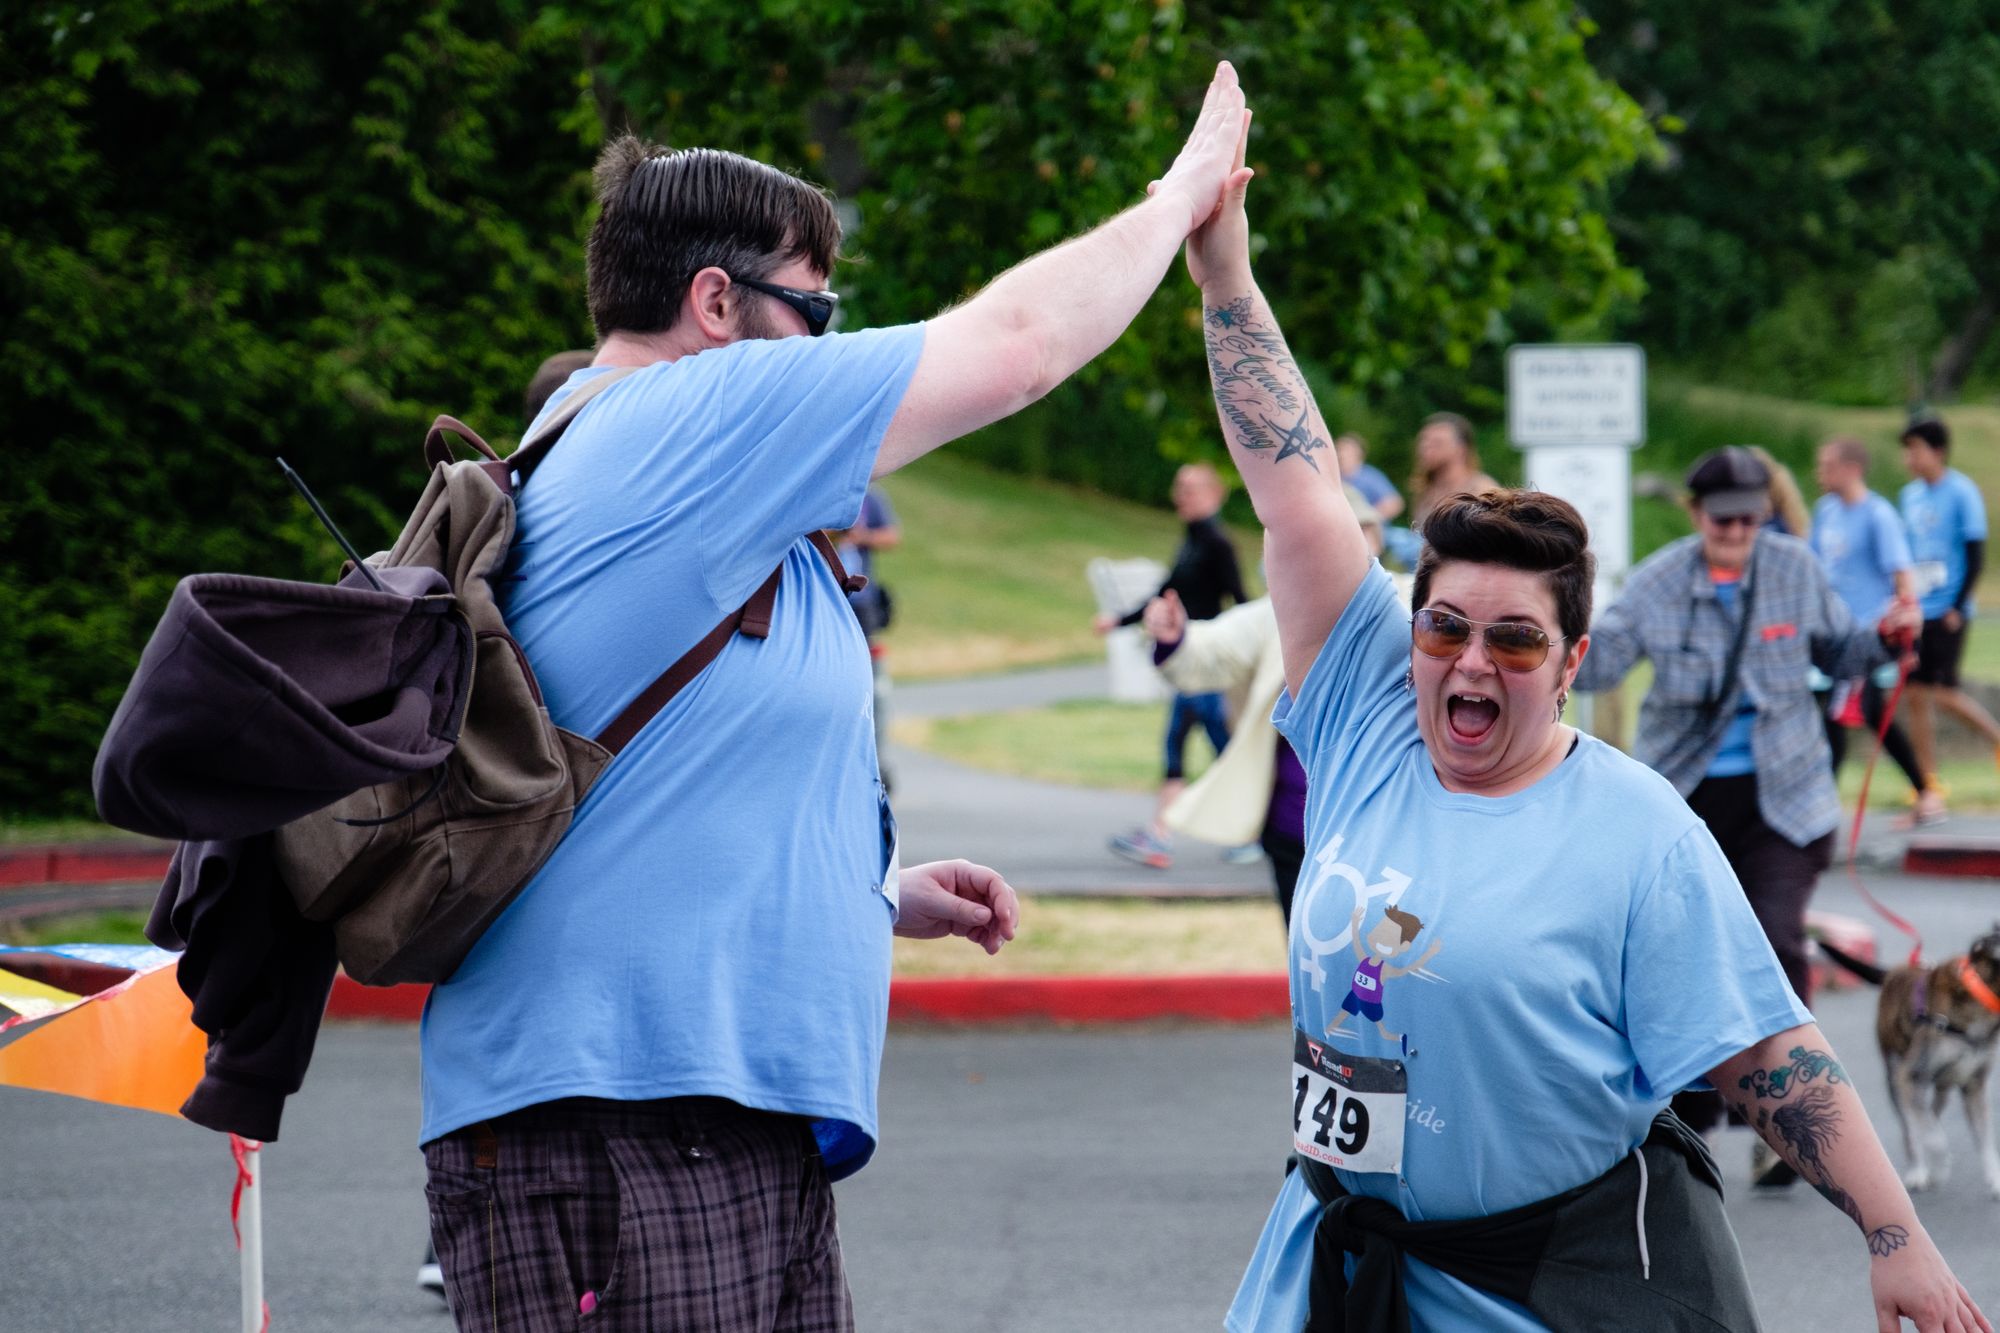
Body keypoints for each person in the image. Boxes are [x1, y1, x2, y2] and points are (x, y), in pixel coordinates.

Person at [417, 64, 1252, 1330]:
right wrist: (1181, 198)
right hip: (624, 1131)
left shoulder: (657, 461)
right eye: (814, 306)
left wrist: (869, 896)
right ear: (713, 304)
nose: (826, 340)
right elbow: (1019, 350)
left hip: (694, 1122)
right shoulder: (686, 416)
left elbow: (669, 777)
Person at [1185, 129, 1984, 1333]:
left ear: (1568, 663)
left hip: (1535, 1288)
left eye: (1511, 640)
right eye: (1442, 626)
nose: (1466, 660)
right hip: (1333, 1261)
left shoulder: (1632, 831)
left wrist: (1896, 1239)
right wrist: (1226, 279)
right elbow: (1294, 486)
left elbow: (1764, 1050)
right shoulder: (1368, 718)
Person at [1574, 447, 1918, 1163]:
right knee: (1682, 952)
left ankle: (1786, 1114)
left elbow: (1842, 651)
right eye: (1722, 517)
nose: (1736, 529)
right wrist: (1551, 615)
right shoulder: (1660, 578)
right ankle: (1695, 1103)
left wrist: (1886, 635)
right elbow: (1597, 660)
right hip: (1685, 801)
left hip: (1784, 798)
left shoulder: (1794, 568)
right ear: (1696, 514)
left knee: (1773, 937)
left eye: (1750, 516)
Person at [1142, 492, 1405, 924]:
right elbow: (1210, 651)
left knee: (1381, 955)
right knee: (1306, 950)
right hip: (1292, 825)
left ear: (1374, 540)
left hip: (1382, 830)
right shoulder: (1280, 610)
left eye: (1355, 534)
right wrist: (1174, 635)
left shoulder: (1412, 600)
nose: (1338, 549)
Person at [1097, 461, 1248, 870]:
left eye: (1193, 488)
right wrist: (1121, 621)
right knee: (1192, 747)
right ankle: (1163, 835)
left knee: (1223, 751)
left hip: (1208, 665)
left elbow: (1241, 600)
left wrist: (1246, 655)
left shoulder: (1217, 542)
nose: (1183, 494)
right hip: (1190, 665)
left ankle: (1252, 832)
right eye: (1179, 487)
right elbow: (1166, 590)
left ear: (1215, 495)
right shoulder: (1193, 540)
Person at [1812, 436, 1935, 823]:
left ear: (1852, 468)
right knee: (1866, 715)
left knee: (1840, 716)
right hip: (1832, 638)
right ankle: (1926, 792)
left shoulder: (1878, 515)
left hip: (1868, 639)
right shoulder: (1826, 511)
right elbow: (1813, 569)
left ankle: (1822, 812)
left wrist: (1906, 638)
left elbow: (1902, 576)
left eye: (1828, 466)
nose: (1821, 474)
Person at [1898, 416, 2000, 794]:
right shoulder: (1910, 496)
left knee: (1940, 693)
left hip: (1948, 611)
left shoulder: (1961, 492)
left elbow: (1975, 552)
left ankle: (1995, 738)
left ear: (1937, 451)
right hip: (1918, 610)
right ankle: (1928, 780)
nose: (1909, 457)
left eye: (1916, 449)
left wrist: (1958, 605)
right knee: (1914, 696)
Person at [836, 483, 900, 787]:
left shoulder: (870, 497)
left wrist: (862, 537)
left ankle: (872, 756)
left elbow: (891, 536)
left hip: (861, 600)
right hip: (827, 596)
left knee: (868, 678)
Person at [1406, 410, 1498, 532]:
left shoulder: (1483, 490)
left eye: (1437, 443)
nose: (1425, 448)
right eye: (1423, 442)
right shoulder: (1425, 489)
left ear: (1461, 449)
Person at [1336, 433, 1404, 523]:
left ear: (1359, 454)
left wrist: (1368, 518)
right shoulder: (1334, 477)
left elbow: (1394, 503)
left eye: (1347, 450)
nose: (1341, 454)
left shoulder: (1370, 477)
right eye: (1339, 449)